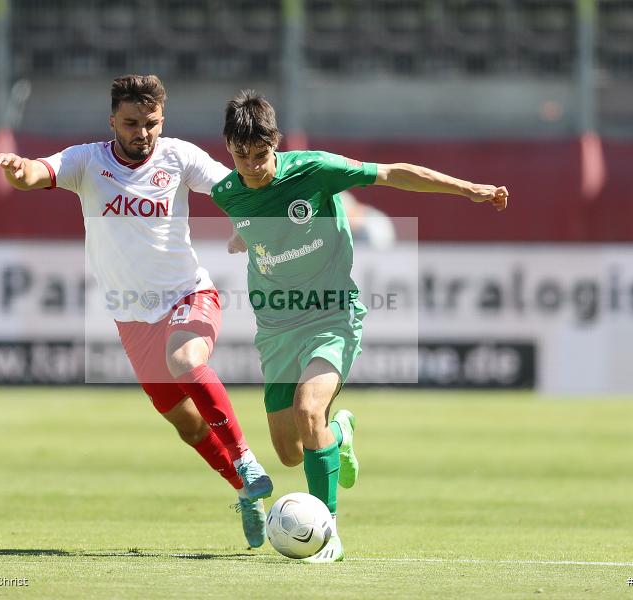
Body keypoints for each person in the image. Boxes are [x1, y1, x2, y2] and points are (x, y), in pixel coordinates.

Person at [212, 90, 508, 563]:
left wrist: (470, 189)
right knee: (289, 453)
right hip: (276, 329)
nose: (251, 165)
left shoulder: (314, 170)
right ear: (229, 148)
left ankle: (328, 532)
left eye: (261, 154)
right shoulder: (228, 191)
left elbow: (392, 174)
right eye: (239, 154)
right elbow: (252, 219)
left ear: (276, 143)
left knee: (310, 411)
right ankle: (341, 434)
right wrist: (240, 235)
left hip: (332, 315)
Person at [0, 75, 273, 548]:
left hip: (189, 295)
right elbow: (39, 172)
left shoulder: (178, 156)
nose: (142, 132)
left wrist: (246, 225)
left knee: (186, 363)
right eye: (131, 123)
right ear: (112, 122)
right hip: (132, 318)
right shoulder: (88, 161)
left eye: (151, 123)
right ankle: (245, 492)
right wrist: (20, 170)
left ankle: (246, 458)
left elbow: (233, 189)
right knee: (187, 424)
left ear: (163, 120)